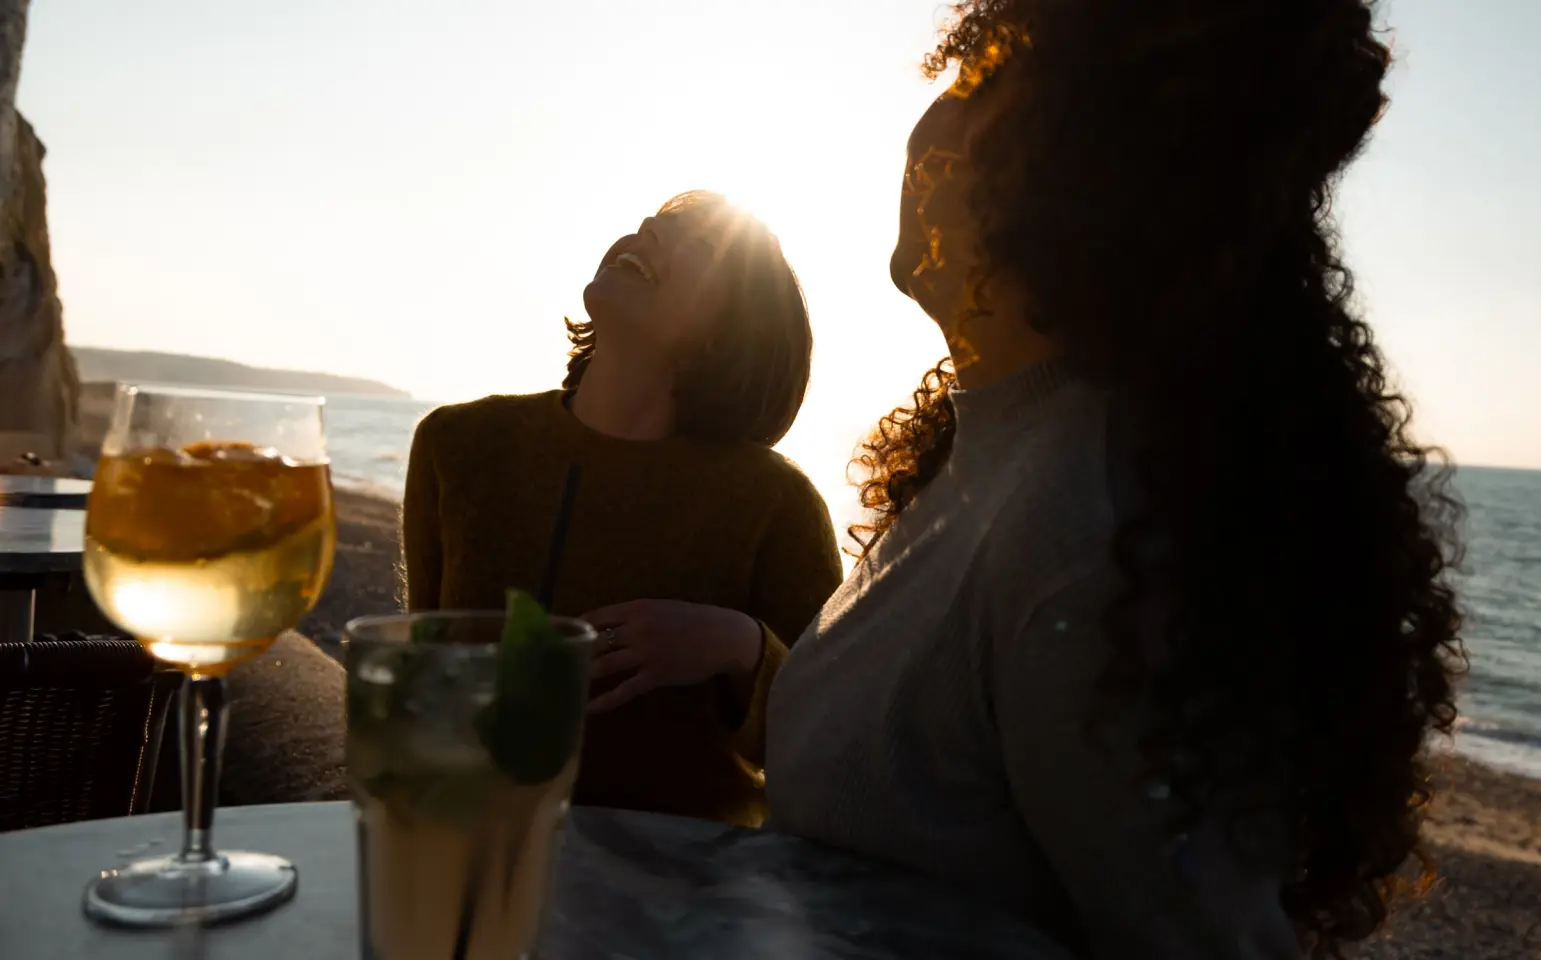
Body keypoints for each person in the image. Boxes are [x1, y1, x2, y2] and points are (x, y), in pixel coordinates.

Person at [766, 2, 1466, 957]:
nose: (926, 124)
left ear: (1069, 167)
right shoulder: (997, 455)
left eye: (972, 84)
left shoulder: (1086, 531)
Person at [404, 191, 841, 826]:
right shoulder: (457, 444)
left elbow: (836, 735)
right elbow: (420, 672)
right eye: (653, 223)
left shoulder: (777, 503)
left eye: (696, 245)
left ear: (737, 329)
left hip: (688, 891)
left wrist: (741, 647)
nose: (648, 230)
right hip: (474, 847)